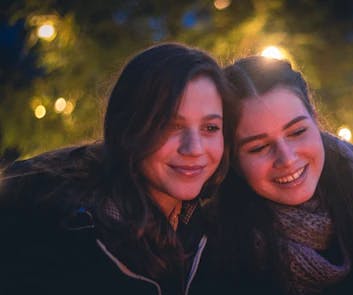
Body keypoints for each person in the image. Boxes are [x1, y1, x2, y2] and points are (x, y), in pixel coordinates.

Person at [0, 42, 233, 295]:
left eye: (210, 128)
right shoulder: (61, 234)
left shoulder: (210, 223)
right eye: (170, 125)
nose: (194, 149)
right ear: (129, 128)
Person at [203, 56, 353, 295]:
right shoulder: (218, 255)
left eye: (297, 131)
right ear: (233, 159)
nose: (287, 158)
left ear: (315, 121)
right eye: (258, 147)